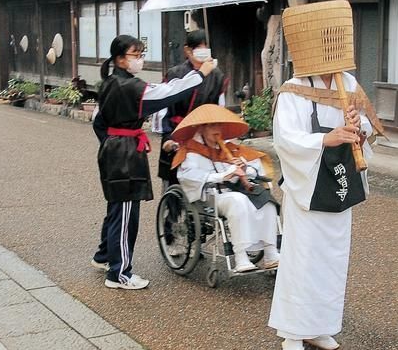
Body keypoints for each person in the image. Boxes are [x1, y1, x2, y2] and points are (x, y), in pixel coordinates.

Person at [268, 0, 385, 350]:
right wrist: (325, 139)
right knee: (302, 259)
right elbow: (285, 140)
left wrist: (358, 131)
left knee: (332, 258)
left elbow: (364, 125)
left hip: (338, 182)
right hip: (308, 185)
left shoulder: (346, 82)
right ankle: (291, 332)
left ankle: (319, 326)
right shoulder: (293, 89)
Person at [91, 34, 216, 290]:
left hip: (114, 150)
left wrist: (110, 140)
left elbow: (98, 122)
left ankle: (104, 256)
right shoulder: (130, 87)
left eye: (141, 54)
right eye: (135, 55)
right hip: (124, 155)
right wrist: (200, 74)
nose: (140, 60)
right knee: (126, 215)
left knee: (116, 210)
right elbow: (168, 93)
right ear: (120, 59)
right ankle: (120, 274)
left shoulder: (110, 83)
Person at [171, 104, 280, 272]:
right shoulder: (192, 150)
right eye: (212, 126)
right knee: (239, 201)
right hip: (210, 194)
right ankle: (241, 257)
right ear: (202, 129)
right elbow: (188, 177)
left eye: (219, 126)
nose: (217, 130)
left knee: (266, 200)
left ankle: (271, 253)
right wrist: (222, 175)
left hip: (235, 190)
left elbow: (255, 169)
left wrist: (244, 169)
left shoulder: (229, 147)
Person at [158, 29, 227, 189]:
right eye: (198, 47)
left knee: (202, 178)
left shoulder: (217, 76)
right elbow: (164, 109)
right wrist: (168, 136)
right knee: (174, 180)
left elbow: (219, 109)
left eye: (206, 47)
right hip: (177, 132)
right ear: (187, 50)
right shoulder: (175, 74)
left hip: (203, 135)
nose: (203, 51)